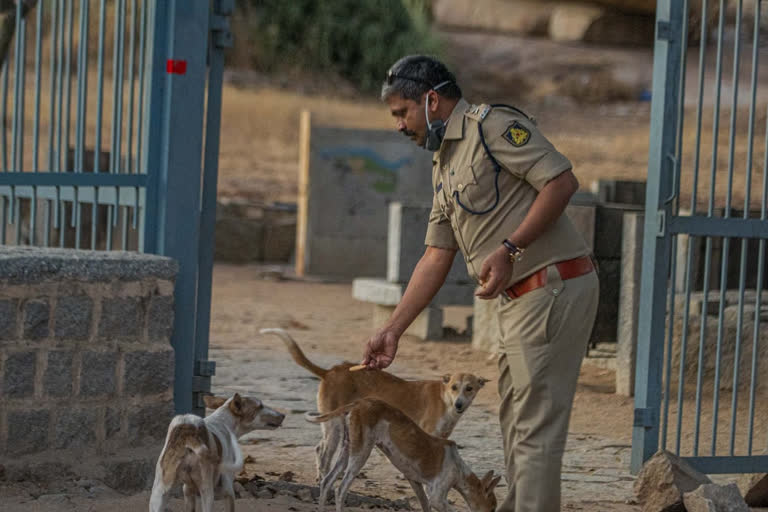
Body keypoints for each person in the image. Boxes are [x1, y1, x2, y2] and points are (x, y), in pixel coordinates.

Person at [359, 55, 600, 512]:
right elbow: (435, 255)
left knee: (534, 430)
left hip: (551, 287)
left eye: (401, 113)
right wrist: (393, 329)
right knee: (516, 423)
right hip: (519, 301)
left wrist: (509, 249)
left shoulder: (492, 127)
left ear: (431, 100)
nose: (398, 125)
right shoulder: (444, 163)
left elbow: (561, 182)